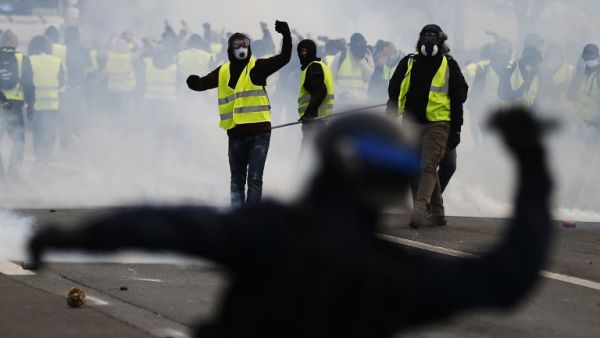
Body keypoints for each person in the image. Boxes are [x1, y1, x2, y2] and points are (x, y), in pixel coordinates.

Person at [28, 107, 553, 338]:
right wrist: (530, 163)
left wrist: (70, 236)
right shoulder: (392, 275)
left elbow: (167, 224)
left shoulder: (269, 232)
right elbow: (509, 275)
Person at [187, 20, 292, 207]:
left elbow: (284, 58)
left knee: (254, 179)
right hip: (236, 135)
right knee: (236, 181)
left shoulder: (258, 67)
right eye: (237, 45)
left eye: (245, 44)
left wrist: (286, 35)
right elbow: (203, 84)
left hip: (260, 134)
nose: (241, 48)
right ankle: (237, 219)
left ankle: (250, 220)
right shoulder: (223, 71)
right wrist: (194, 83)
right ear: (230, 49)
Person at [387, 24, 468, 228]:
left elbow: (459, 97)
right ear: (420, 39)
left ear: (440, 41)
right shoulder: (408, 62)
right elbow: (394, 91)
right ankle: (437, 213)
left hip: (439, 123)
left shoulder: (449, 64)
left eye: (433, 36)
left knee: (429, 166)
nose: (429, 39)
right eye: (425, 35)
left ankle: (420, 210)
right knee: (418, 167)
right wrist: (389, 119)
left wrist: (457, 128)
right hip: (412, 124)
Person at [564, 44, 600, 204]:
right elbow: (571, 95)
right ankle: (572, 197)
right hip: (585, 125)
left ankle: (572, 197)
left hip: (595, 126)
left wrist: (596, 126)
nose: (589, 60)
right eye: (587, 56)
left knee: (585, 162)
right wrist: (578, 73)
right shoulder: (583, 73)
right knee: (583, 162)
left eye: (592, 56)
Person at [0, 30, 35, 179]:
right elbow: (29, 85)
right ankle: (14, 173)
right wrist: (31, 106)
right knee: (18, 141)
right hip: (15, 107)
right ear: (15, 43)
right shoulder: (23, 59)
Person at [27, 35, 65, 164]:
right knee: (50, 130)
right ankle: (47, 155)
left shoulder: (29, 60)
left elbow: (25, 83)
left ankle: (39, 157)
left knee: (37, 132)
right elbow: (61, 82)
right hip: (52, 103)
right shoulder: (56, 61)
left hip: (35, 105)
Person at [296, 39, 335, 141]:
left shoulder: (314, 67)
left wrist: (309, 115)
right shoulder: (320, 66)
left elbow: (321, 91)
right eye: (300, 52)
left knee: (308, 154)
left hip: (315, 121)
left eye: (304, 51)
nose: (301, 54)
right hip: (321, 120)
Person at [330, 33, 374, 105]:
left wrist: (362, 61)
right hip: (342, 105)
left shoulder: (367, 57)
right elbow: (330, 79)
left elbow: (369, 78)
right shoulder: (341, 56)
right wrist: (339, 93)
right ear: (351, 47)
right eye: (358, 48)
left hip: (361, 106)